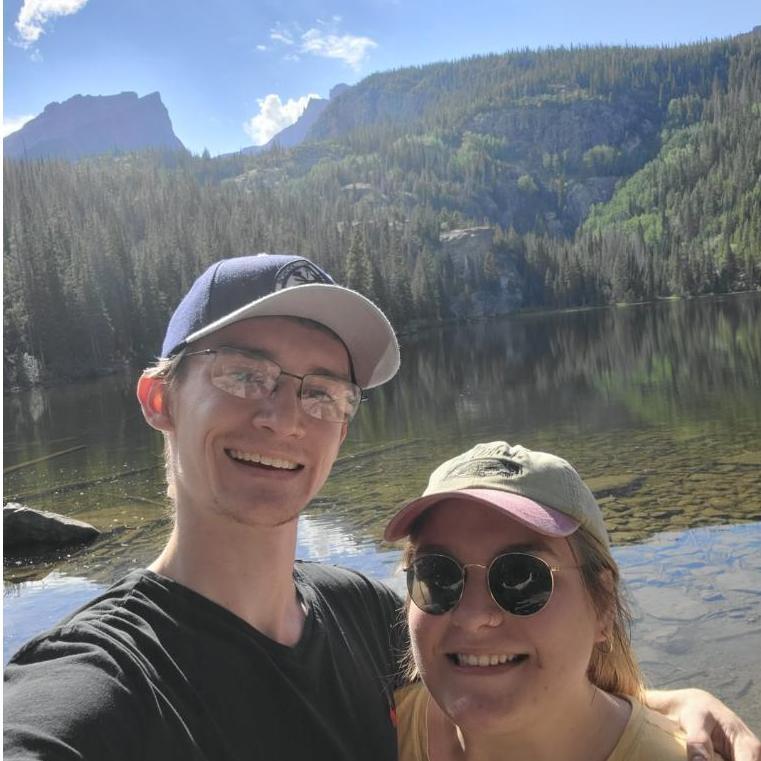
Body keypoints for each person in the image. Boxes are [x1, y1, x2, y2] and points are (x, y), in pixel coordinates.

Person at [4, 255, 759, 761]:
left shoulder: (362, 618)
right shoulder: (107, 681)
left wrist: (666, 709)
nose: (282, 417)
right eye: (243, 374)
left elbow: (522, 674)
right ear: (158, 396)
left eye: (321, 389)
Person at [385, 441, 759, 761]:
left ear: (603, 604)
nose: (471, 615)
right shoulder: (370, 723)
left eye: (521, 577)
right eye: (437, 575)